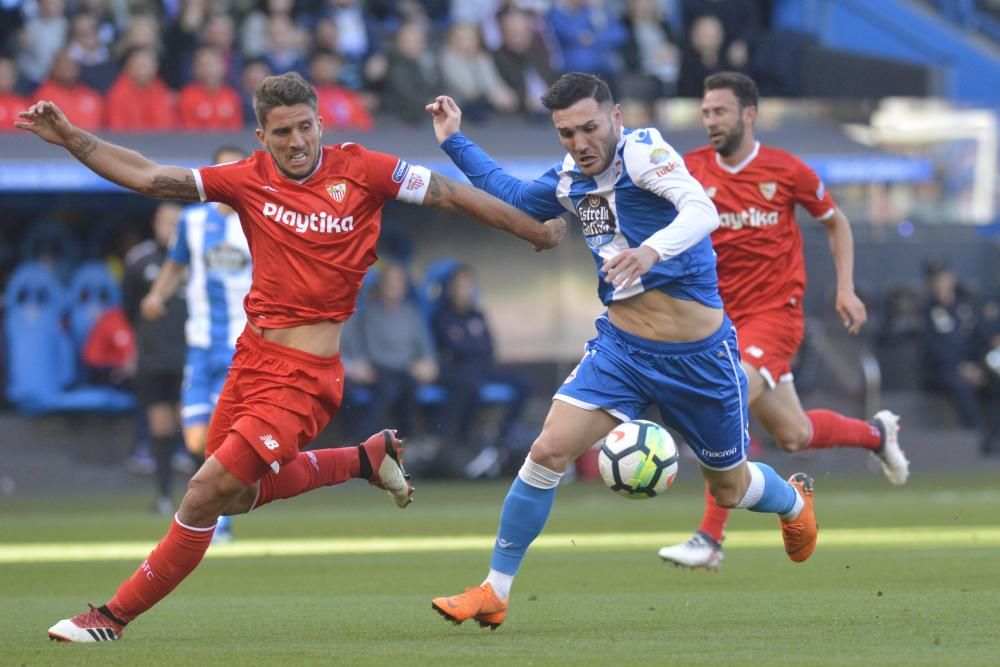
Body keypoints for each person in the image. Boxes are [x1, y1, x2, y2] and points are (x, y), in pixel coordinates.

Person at [18, 70, 564, 642]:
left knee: (204, 493)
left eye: (305, 127)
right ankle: (363, 460)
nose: (297, 141)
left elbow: (451, 194)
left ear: (321, 124)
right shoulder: (246, 179)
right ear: (262, 136)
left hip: (304, 378)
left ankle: (110, 617)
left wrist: (534, 230)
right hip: (250, 360)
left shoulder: (366, 170)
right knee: (239, 494)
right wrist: (74, 137)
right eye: (282, 132)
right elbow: (154, 178)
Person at [425, 73, 818, 630]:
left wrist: (649, 253)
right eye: (566, 133)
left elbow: (701, 210)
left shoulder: (644, 152)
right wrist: (452, 140)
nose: (580, 142)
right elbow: (512, 194)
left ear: (616, 118)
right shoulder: (570, 181)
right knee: (546, 452)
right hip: (623, 352)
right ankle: (496, 589)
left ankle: (792, 502)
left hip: (699, 359)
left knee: (729, 490)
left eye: (589, 127)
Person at [658, 72, 910, 572]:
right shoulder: (689, 171)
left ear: (748, 116)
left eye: (720, 112)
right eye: (706, 113)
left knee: (725, 396)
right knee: (793, 434)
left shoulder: (786, 170)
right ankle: (877, 436)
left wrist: (844, 287)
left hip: (775, 316)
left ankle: (710, 540)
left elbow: (835, 222)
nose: (711, 121)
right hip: (718, 324)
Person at [141, 145, 253, 542]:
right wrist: (157, 294)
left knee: (220, 436)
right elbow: (175, 266)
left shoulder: (257, 220)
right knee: (194, 436)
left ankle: (217, 516)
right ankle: (215, 505)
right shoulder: (191, 221)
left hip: (241, 345)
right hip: (200, 344)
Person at [431, 263, 532, 478]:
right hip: (459, 372)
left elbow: (488, 347)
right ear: (450, 289)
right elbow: (451, 351)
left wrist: (469, 348)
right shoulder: (441, 316)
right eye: (459, 286)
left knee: (525, 383)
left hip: (483, 368)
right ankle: (464, 444)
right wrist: (469, 349)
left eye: (468, 286)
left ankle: (504, 439)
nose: (463, 292)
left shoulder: (477, 315)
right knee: (470, 386)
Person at [122, 203, 188, 517]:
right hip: (154, 359)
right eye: (166, 222)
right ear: (155, 223)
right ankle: (163, 496)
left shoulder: (198, 256)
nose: (171, 228)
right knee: (160, 426)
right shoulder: (139, 261)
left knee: (196, 429)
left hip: (192, 356)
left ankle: (205, 502)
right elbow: (129, 309)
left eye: (177, 223)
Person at [340, 261, 438, 442]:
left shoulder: (411, 313)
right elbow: (372, 351)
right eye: (389, 281)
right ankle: (363, 442)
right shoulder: (369, 313)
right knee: (390, 388)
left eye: (398, 281)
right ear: (381, 285)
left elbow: (425, 349)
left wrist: (427, 363)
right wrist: (407, 364)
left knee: (409, 387)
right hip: (381, 371)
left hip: (407, 372)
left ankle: (410, 442)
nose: (393, 286)